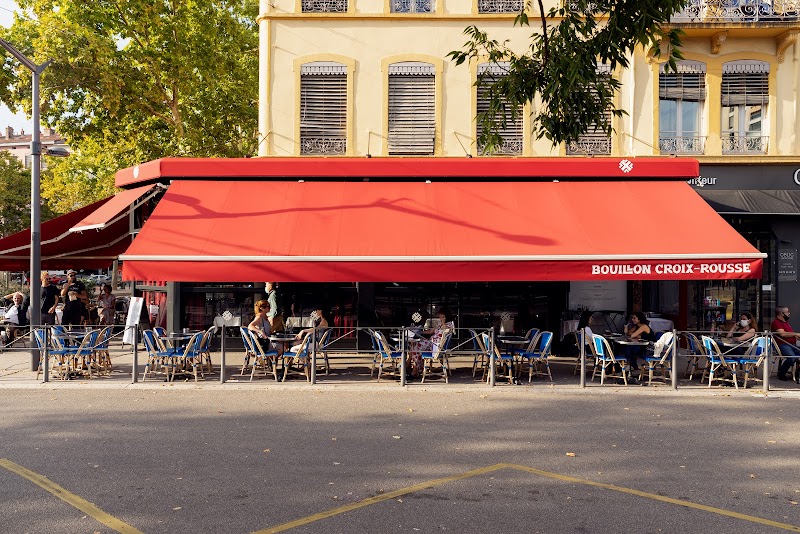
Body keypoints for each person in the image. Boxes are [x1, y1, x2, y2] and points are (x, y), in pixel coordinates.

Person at [408, 307, 455, 379]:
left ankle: (414, 369)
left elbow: (445, 330)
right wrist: (418, 332)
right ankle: (415, 369)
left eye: (441, 316)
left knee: (416, 347)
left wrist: (443, 322)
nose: (439, 317)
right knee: (415, 345)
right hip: (431, 342)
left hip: (436, 346)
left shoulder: (449, 325)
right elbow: (431, 331)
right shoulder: (439, 324)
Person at [772, 306, 800, 381]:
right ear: (781, 313)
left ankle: (798, 372)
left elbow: (789, 334)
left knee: (794, 357)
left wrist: (795, 336)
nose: (789, 313)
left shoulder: (785, 323)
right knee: (792, 358)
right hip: (783, 345)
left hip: (792, 345)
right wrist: (795, 334)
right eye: (787, 312)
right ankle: (781, 373)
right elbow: (782, 334)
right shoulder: (776, 322)